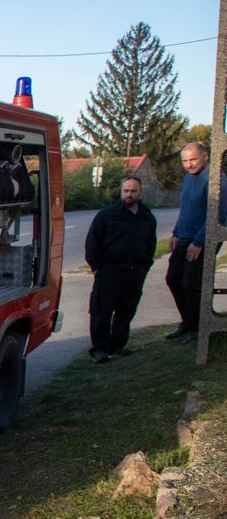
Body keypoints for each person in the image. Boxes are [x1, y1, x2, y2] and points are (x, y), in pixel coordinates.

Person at [85, 175, 156, 362]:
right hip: (109, 271)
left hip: (135, 272)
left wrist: (145, 266)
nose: (129, 195)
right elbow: (92, 243)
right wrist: (97, 268)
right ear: (121, 192)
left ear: (140, 193)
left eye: (133, 191)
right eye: (126, 191)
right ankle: (100, 349)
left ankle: (117, 346)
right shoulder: (107, 215)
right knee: (101, 311)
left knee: (126, 310)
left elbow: (151, 243)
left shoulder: (147, 216)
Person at [165, 142, 227, 343]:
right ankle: (188, 322)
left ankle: (201, 327)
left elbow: (218, 215)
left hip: (203, 239)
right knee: (173, 278)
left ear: (206, 156)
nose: (189, 165)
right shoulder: (188, 178)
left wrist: (199, 242)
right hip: (184, 237)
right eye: (185, 161)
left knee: (191, 283)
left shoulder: (217, 180)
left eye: (193, 159)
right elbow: (186, 208)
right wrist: (175, 232)